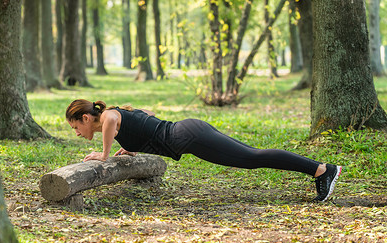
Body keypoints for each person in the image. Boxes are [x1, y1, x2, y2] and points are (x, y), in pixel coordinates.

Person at [66, 99, 342, 202]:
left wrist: (104, 155)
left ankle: (322, 170)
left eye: (76, 127)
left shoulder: (111, 116)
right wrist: (129, 146)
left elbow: (114, 119)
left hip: (189, 137)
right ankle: (320, 170)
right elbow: (147, 116)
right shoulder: (116, 119)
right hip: (190, 131)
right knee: (253, 154)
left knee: (252, 158)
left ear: (87, 118)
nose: (77, 133)